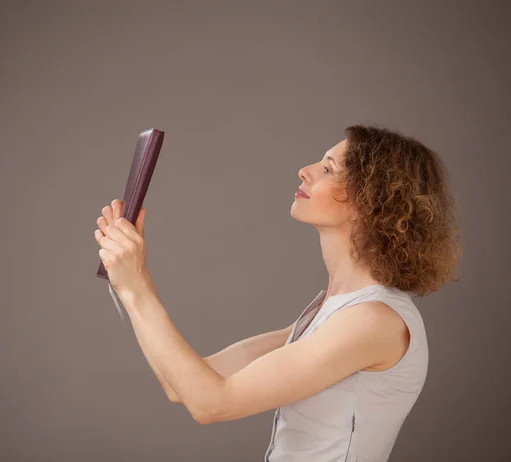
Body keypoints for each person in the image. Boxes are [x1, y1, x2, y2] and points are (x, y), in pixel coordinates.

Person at [95, 124, 461, 462]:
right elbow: (182, 385)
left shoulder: (374, 321)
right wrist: (133, 274)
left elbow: (211, 403)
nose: (305, 170)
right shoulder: (327, 315)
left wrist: (136, 287)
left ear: (370, 201)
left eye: (328, 169)